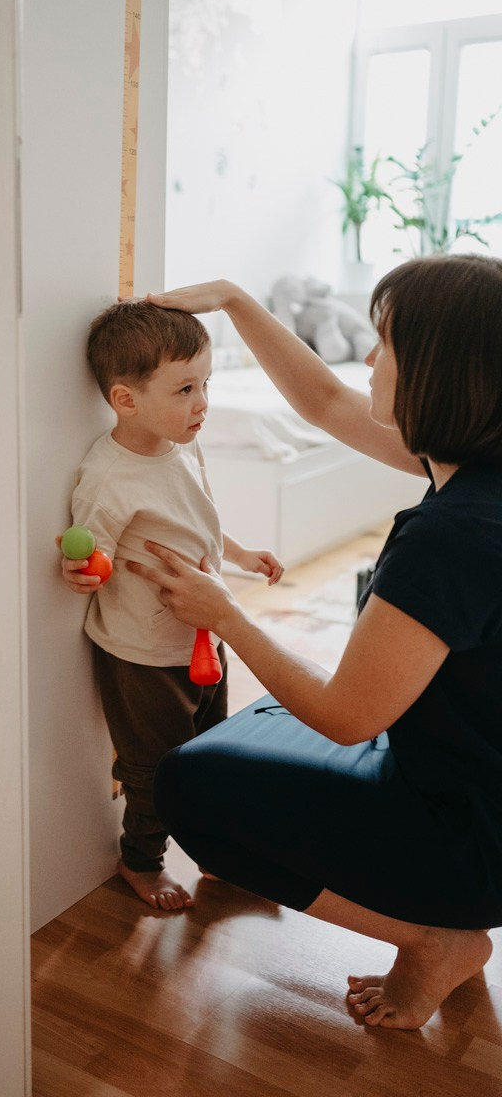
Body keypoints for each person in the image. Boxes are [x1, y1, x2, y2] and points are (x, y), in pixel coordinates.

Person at [123, 253, 502, 1027]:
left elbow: (344, 717)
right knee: (258, 727)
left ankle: (435, 938)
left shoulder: (452, 537)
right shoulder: (481, 463)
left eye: (385, 343)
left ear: (438, 369)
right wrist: (233, 299)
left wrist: (224, 613)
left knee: (186, 788)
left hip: (471, 829)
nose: (366, 360)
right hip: (479, 781)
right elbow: (327, 402)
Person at [60, 301, 283, 911]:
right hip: (145, 653)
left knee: (213, 753)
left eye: (205, 384)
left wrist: (237, 554)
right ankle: (141, 862)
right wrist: (85, 569)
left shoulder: (183, 446)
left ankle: (216, 852)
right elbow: (93, 551)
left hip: (203, 635)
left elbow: (199, 521)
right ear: (126, 399)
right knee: (154, 770)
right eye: (186, 388)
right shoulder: (110, 475)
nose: (203, 402)